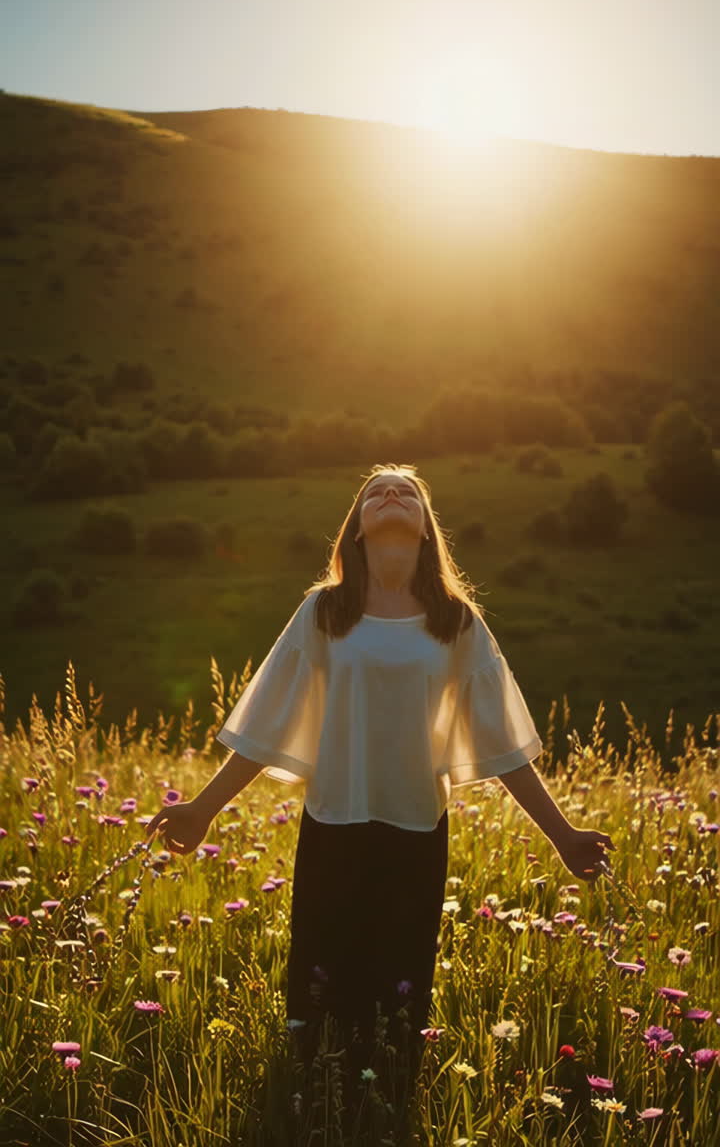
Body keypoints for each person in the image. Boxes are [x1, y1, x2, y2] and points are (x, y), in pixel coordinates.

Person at [146, 462, 615, 1127]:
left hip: (417, 829)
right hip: (333, 821)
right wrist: (202, 809)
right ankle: (304, 1107)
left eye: (407, 492)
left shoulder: (455, 621)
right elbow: (268, 722)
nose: (391, 495)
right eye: (375, 492)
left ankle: (387, 1111)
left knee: (400, 987)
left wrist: (562, 835)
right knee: (320, 978)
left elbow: (503, 745)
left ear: (426, 531)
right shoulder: (324, 611)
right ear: (357, 530)